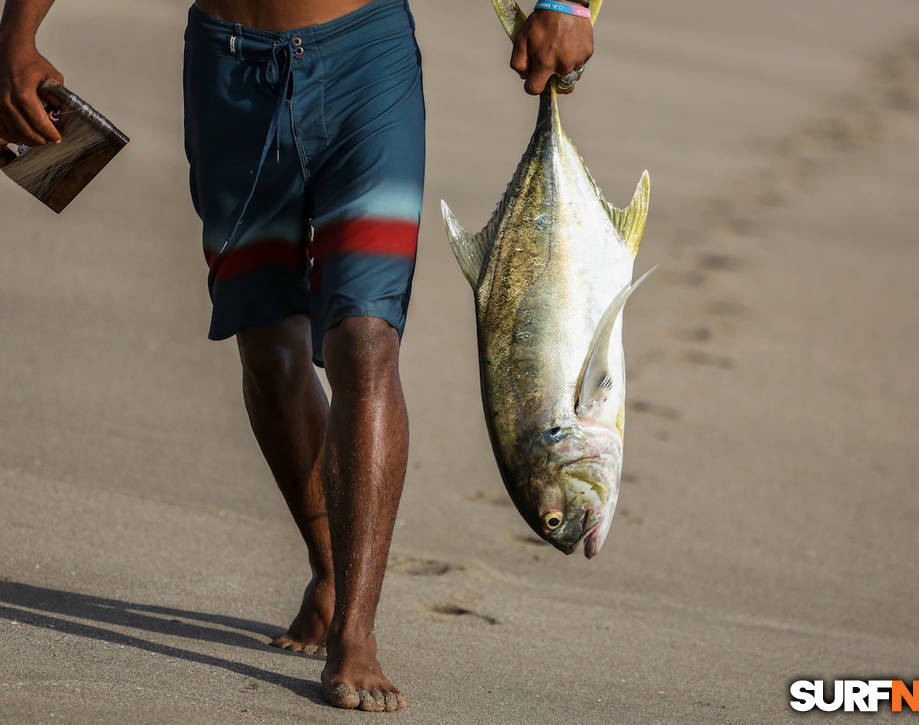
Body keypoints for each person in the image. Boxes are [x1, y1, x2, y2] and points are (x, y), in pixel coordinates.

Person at [0, 0, 593, 712]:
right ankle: (329, 570)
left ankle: (356, 633)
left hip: (365, 64)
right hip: (227, 75)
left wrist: (567, 4)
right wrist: (17, 35)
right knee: (270, 357)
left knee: (365, 341)